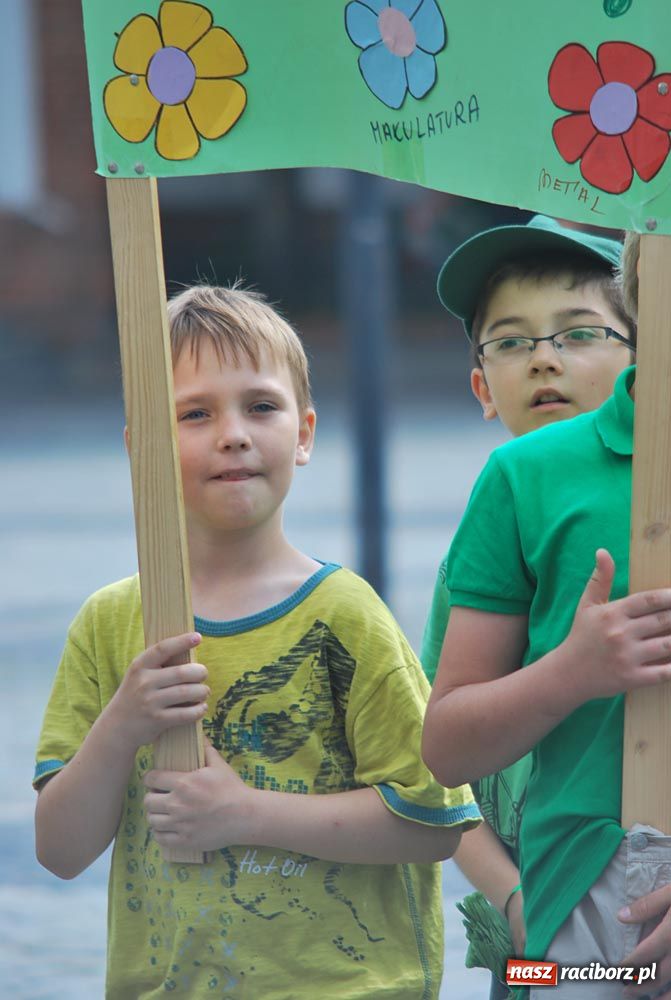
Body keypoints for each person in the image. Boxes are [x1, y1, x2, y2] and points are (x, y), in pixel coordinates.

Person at [34, 284, 479, 999]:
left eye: (260, 406)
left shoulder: (344, 614)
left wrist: (246, 814)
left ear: (303, 434)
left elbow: (431, 821)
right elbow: (58, 851)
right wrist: (121, 726)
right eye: (194, 413)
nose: (233, 433)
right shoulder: (110, 622)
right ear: (140, 447)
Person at [422, 224, 671, 999]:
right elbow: (441, 759)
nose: (544, 359)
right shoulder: (513, 487)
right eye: (512, 343)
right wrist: (517, 905)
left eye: (578, 333)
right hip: (566, 914)